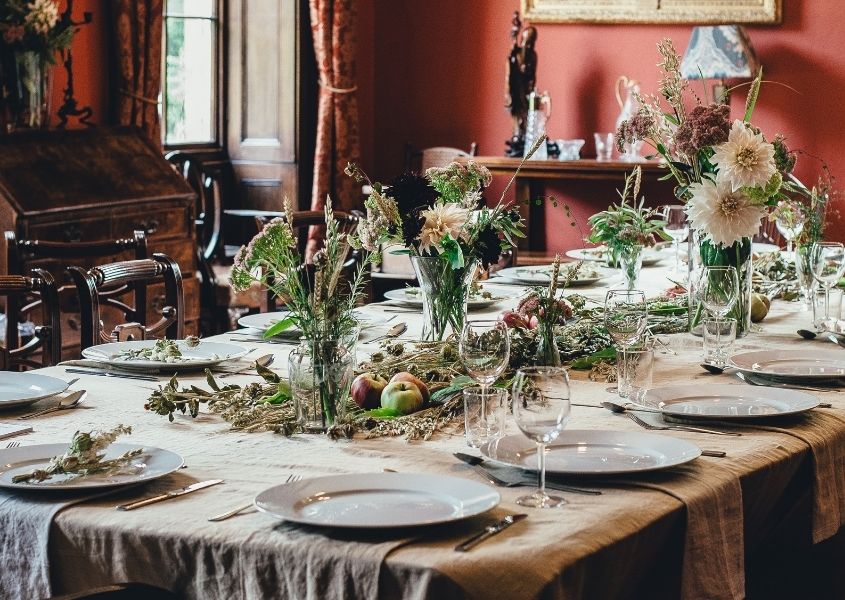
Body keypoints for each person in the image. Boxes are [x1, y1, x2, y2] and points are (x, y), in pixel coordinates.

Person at [505, 24, 538, 155]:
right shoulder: (515, 54)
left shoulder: (533, 56)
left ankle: (524, 136)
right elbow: (509, 71)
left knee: (526, 115)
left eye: (531, 42)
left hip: (525, 90)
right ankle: (517, 136)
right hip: (515, 89)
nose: (528, 45)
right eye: (526, 41)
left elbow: (532, 76)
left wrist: (531, 90)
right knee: (516, 115)